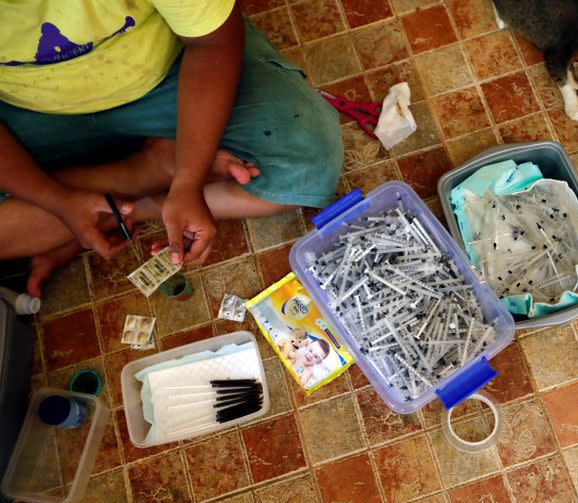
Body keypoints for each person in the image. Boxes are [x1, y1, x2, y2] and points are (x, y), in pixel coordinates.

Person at [0, 1, 344, 296]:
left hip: (171, 73)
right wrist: (55, 201)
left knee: (308, 164)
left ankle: (114, 209)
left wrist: (189, 178)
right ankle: (152, 170)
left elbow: (211, 42)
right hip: (30, 117)